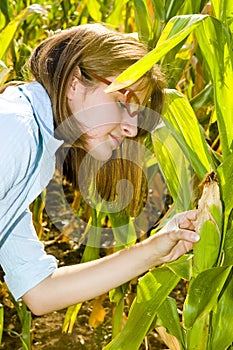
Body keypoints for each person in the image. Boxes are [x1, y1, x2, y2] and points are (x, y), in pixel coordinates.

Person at [0, 23, 199, 316]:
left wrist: (155, 249)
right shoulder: (16, 129)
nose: (132, 129)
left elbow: (39, 291)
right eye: (122, 102)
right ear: (74, 83)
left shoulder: (36, 145)